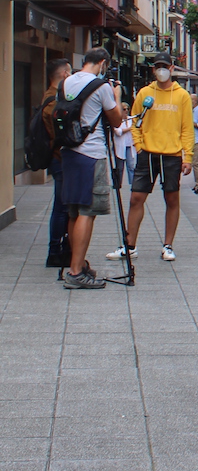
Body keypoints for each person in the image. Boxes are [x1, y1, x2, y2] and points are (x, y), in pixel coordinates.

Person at [117, 57, 195, 265]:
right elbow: (135, 121)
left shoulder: (182, 95)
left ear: (171, 68)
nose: (161, 70)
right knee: (136, 198)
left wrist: (187, 156)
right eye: (158, 67)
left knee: (172, 199)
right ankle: (130, 246)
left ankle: (168, 245)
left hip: (172, 155)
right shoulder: (145, 93)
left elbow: (187, 128)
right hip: (147, 154)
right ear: (153, 69)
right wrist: (139, 146)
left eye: (165, 67)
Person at [59, 48, 124, 290]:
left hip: (69, 151)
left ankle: (76, 264)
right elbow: (116, 120)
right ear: (103, 63)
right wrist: (116, 96)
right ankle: (76, 272)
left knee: (74, 211)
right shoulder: (101, 86)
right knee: (87, 211)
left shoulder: (66, 82)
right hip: (91, 153)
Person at [41, 57, 73, 269]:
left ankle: (58, 249)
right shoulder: (53, 101)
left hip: (58, 159)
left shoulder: (51, 97)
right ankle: (55, 251)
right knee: (62, 207)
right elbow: (58, 134)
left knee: (62, 206)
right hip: (59, 159)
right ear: (64, 75)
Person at [111, 84, 137, 193]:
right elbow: (118, 132)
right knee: (119, 167)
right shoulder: (116, 120)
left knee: (131, 166)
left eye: (127, 109)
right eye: (123, 109)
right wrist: (130, 128)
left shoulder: (131, 119)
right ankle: (118, 185)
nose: (126, 111)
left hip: (129, 145)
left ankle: (133, 185)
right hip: (120, 146)